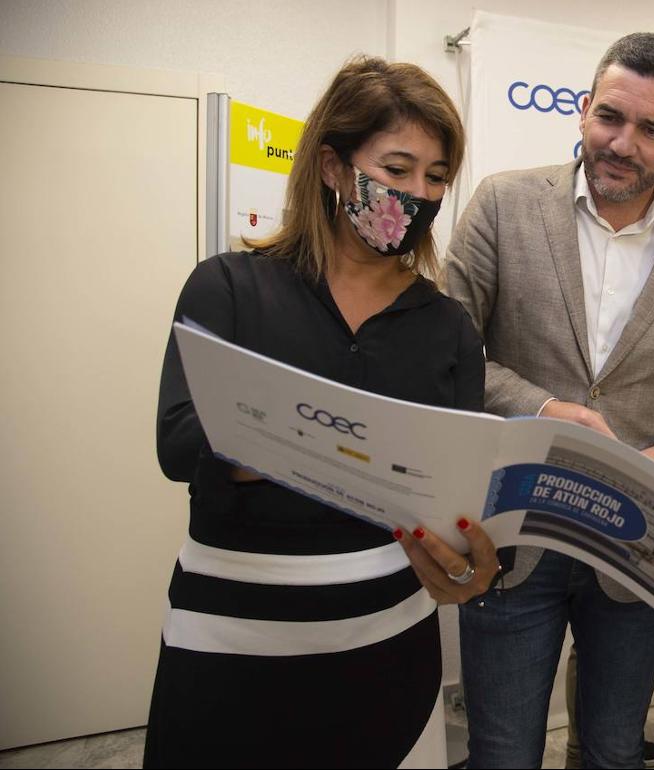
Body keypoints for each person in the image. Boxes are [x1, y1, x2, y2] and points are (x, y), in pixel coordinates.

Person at [147, 55, 500, 768]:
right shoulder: (230, 288)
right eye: (397, 168)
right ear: (334, 167)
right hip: (230, 649)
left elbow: (464, 493)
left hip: (387, 652)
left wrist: (478, 563)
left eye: (435, 177)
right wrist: (327, 446)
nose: (418, 194)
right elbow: (179, 444)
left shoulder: (447, 326)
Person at [445, 31, 654, 768]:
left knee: (614, 750)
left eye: (651, 129)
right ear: (583, 110)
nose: (622, 142)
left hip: (638, 542)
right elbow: (449, 360)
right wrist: (546, 411)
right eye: (610, 116)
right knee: (505, 751)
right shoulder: (502, 204)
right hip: (514, 530)